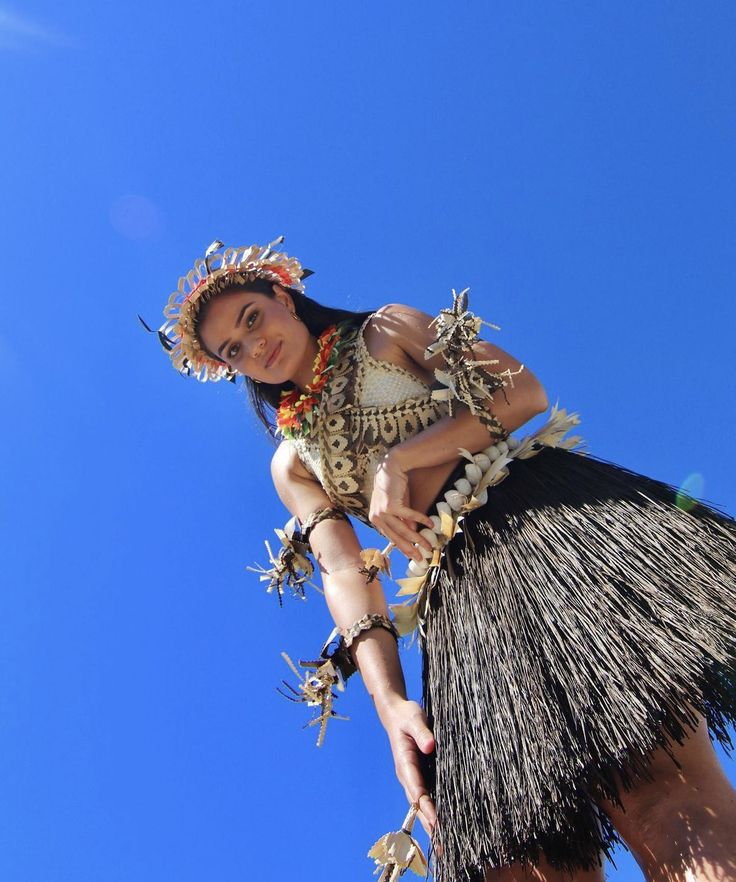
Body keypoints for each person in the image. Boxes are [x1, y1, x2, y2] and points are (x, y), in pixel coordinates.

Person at [154, 238, 736, 882]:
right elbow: (345, 572)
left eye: (251, 318)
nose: (252, 346)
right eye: (232, 351)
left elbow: (522, 392)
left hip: (539, 534)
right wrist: (391, 706)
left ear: (284, 298)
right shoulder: (291, 463)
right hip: (457, 613)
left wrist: (401, 460)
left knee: (655, 791)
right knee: (518, 866)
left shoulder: (386, 330)